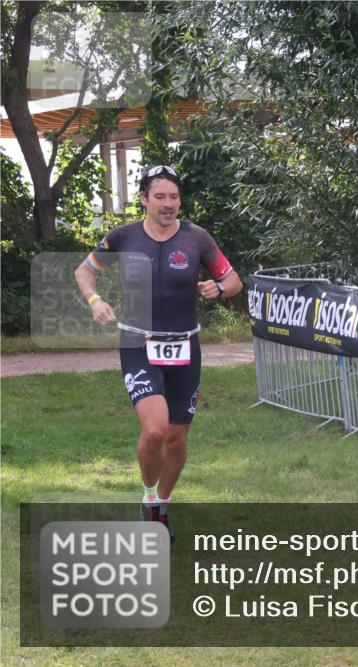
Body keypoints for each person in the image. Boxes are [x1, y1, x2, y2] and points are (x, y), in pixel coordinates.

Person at [74, 165, 242, 540]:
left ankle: (160, 507)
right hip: (138, 343)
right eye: (160, 196)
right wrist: (95, 300)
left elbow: (233, 280)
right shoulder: (124, 236)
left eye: (174, 197)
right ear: (145, 200)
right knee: (154, 430)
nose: (169, 204)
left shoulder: (197, 238)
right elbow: (83, 272)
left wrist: (219, 287)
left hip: (185, 346)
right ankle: (149, 497)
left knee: (177, 439)